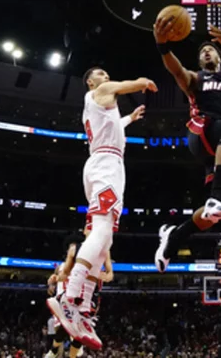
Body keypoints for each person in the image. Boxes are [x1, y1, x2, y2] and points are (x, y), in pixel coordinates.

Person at [47, 68, 156, 350]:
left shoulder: (101, 108)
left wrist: (129, 119)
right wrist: (141, 81)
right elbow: (123, 85)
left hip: (107, 163)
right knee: (102, 231)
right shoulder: (99, 91)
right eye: (101, 74)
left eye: (107, 74)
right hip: (106, 164)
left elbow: (112, 127)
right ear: (90, 82)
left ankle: (82, 308)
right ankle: (69, 298)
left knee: (105, 238)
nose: (106, 77)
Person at [152, 21, 221, 273]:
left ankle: (173, 239)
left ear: (219, 56)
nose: (206, 52)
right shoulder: (196, 78)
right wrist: (162, 46)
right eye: (202, 51)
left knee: (215, 215)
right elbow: (176, 70)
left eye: (210, 50)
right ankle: (215, 197)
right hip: (201, 131)